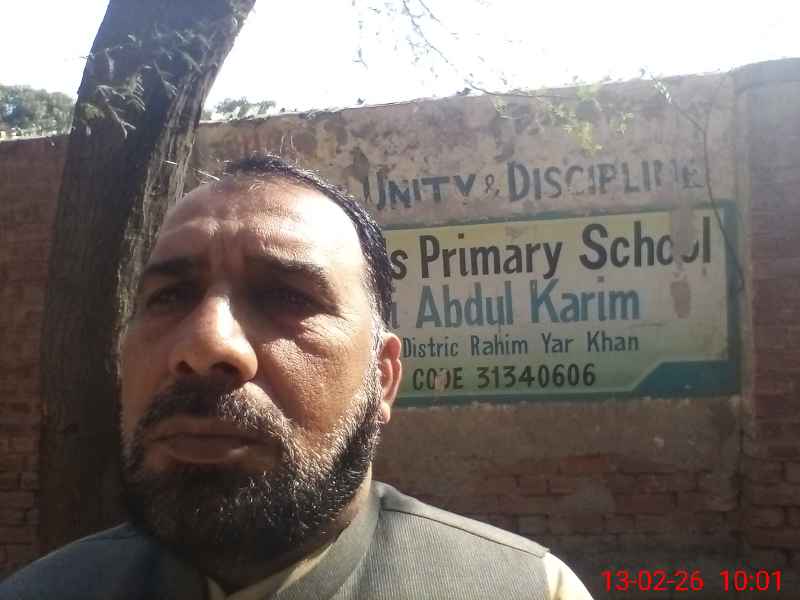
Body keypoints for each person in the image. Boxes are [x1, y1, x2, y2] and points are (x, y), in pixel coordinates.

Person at [1, 155, 593, 600]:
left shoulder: (529, 590)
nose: (206, 346)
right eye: (170, 297)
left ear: (383, 379)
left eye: (286, 296)